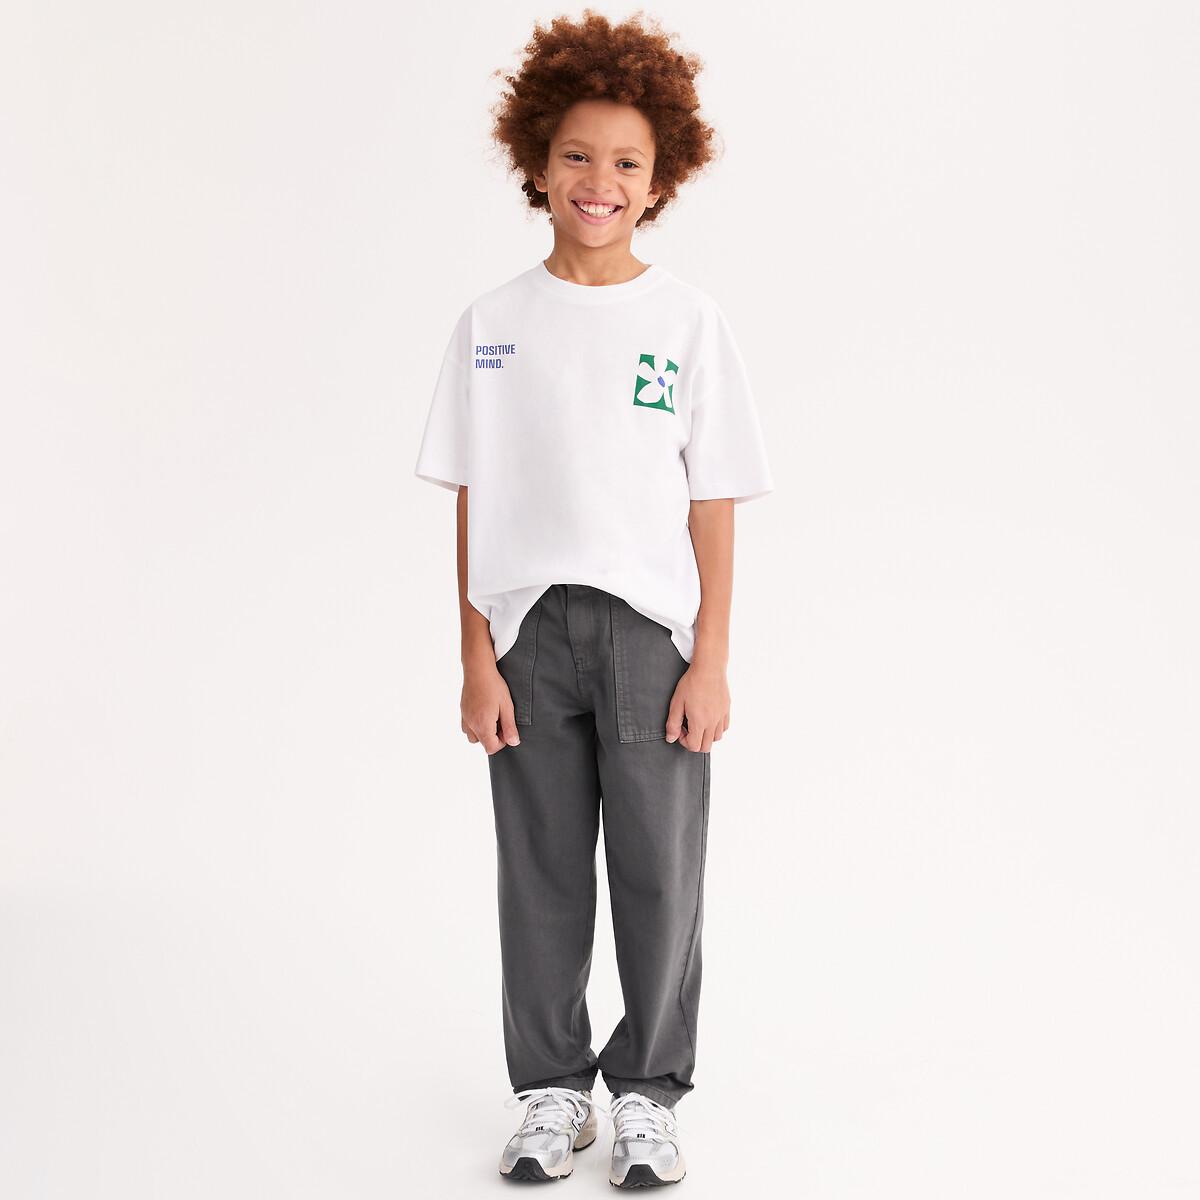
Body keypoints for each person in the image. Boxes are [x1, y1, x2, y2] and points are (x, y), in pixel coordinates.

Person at [414, 9, 774, 1188]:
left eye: (626, 161)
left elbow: (713, 500)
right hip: (527, 637)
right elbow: (473, 497)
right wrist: (476, 654)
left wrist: (710, 657)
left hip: (648, 639)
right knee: (542, 874)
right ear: (538, 160)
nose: (599, 181)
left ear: (661, 176)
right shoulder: (491, 326)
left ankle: (650, 1097)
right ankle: (553, 1092)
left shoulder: (688, 322)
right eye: (577, 154)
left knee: (660, 876)